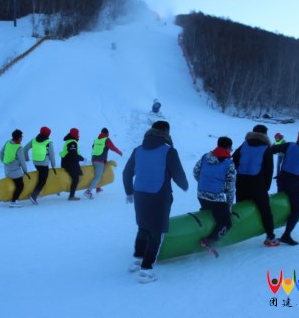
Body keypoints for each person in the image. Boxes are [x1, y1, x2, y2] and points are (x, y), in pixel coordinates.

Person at [123, 121, 188, 284]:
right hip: (159, 195)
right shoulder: (169, 151)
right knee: (156, 232)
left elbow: (126, 172)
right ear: (166, 132)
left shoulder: (138, 150)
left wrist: (129, 191)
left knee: (143, 227)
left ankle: (137, 260)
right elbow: (178, 174)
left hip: (140, 194)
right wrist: (185, 185)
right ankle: (146, 270)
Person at [232, 124, 279, 246]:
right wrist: (266, 187)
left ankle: (237, 231)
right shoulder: (266, 147)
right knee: (265, 209)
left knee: (241, 207)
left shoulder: (244, 144)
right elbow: (269, 169)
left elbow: (234, 159)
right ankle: (270, 237)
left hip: (241, 180)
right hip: (257, 182)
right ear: (265, 134)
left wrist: (239, 169)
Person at [271, 130, 299, 245]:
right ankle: (286, 235)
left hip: (282, 180)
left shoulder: (289, 145)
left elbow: (272, 149)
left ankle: (271, 229)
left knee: (281, 203)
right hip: (295, 183)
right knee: (297, 208)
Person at [193, 136, 236, 250]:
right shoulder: (228, 163)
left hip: (201, 194)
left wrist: (203, 183)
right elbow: (231, 186)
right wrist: (229, 205)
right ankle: (209, 240)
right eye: (231, 149)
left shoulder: (205, 157)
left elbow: (196, 171)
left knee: (208, 213)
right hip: (217, 199)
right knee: (226, 223)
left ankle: (199, 232)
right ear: (228, 147)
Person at [84, 127, 123, 199]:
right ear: (107, 133)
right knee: (98, 176)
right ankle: (88, 191)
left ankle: (98, 188)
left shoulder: (97, 139)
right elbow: (113, 148)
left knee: (99, 174)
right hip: (100, 161)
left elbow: (93, 147)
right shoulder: (106, 140)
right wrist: (120, 152)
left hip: (94, 159)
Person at [24, 126, 56, 204]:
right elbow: (52, 155)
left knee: (40, 177)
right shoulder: (49, 142)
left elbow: (25, 149)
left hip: (35, 163)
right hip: (44, 164)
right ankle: (33, 196)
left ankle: (37, 192)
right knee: (42, 180)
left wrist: (27, 158)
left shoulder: (34, 140)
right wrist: (53, 165)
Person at [0, 129, 28, 208]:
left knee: (13, 184)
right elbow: (22, 161)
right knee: (20, 185)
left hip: (7, 169)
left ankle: (10, 197)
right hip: (15, 171)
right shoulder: (19, 148)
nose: (22, 137)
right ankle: (13, 201)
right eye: (21, 136)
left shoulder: (8, 142)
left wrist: (4, 162)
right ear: (19, 138)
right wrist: (25, 171)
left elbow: (1, 153)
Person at [60, 128, 85, 200]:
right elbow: (73, 154)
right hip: (70, 163)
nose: (78, 136)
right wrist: (81, 158)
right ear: (75, 134)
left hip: (68, 162)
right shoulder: (72, 143)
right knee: (75, 179)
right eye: (77, 134)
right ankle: (71, 196)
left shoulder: (69, 141)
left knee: (75, 177)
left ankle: (71, 194)